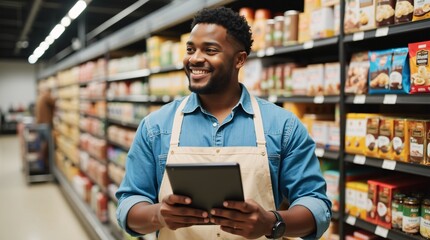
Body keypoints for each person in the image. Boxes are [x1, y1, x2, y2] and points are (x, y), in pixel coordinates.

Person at [116, 7, 331, 240]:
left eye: (210, 50)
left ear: (239, 60)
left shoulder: (282, 126)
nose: (195, 58)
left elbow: (317, 206)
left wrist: (271, 222)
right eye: (190, 49)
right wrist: (159, 215)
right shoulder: (155, 127)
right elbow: (128, 205)